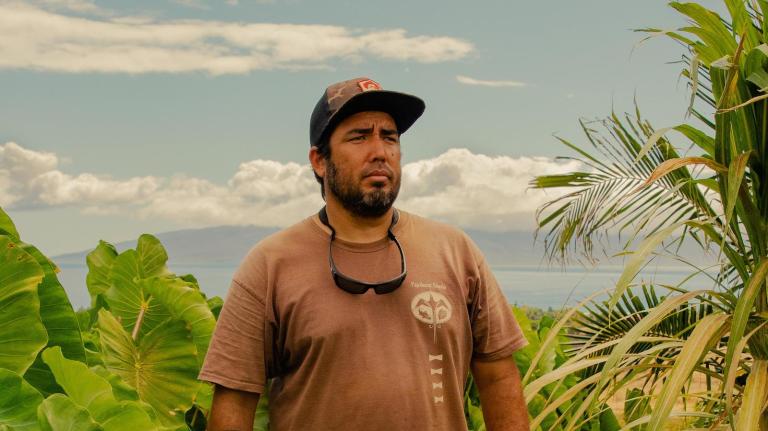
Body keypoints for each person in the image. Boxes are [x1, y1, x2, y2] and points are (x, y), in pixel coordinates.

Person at [198, 77, 530, 430]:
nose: (380, 152)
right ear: (319, 161)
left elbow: (498, 378)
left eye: (389, 137)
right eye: (359, 137)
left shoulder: (456, 252)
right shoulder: (270, 265)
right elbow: (234, 400)